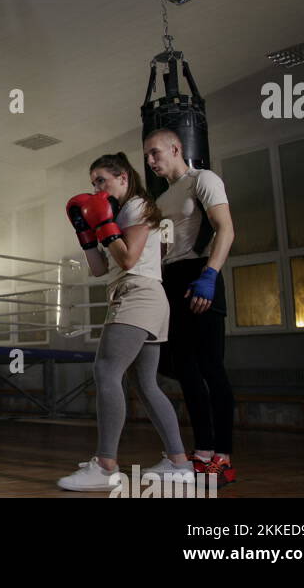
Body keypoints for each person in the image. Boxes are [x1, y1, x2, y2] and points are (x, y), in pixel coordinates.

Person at [58, 152, 193, 492]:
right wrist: (86, 234)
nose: (97, 188)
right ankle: (179, 464)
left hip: (138, 295)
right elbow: (100, 269)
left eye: (102, 180)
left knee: (106, 370)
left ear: (123, 177)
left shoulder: (135, 206)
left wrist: (103, 226)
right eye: (93, 183)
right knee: (145, 383)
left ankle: (105, 466)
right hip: (140, 296)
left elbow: (129, 259)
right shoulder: (117, 215)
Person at [145, 129, 237, 486]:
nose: (151, 161)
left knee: (211, 367)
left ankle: (223, 459)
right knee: (184, 369)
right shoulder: (163, 198)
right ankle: (201, 454)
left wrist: (210, 275)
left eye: (156, 153)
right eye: (148, 156)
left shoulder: (203, 179)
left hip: (200, 275)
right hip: (171, 280)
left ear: (176, 148)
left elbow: (225, 229)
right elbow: (164, 249)